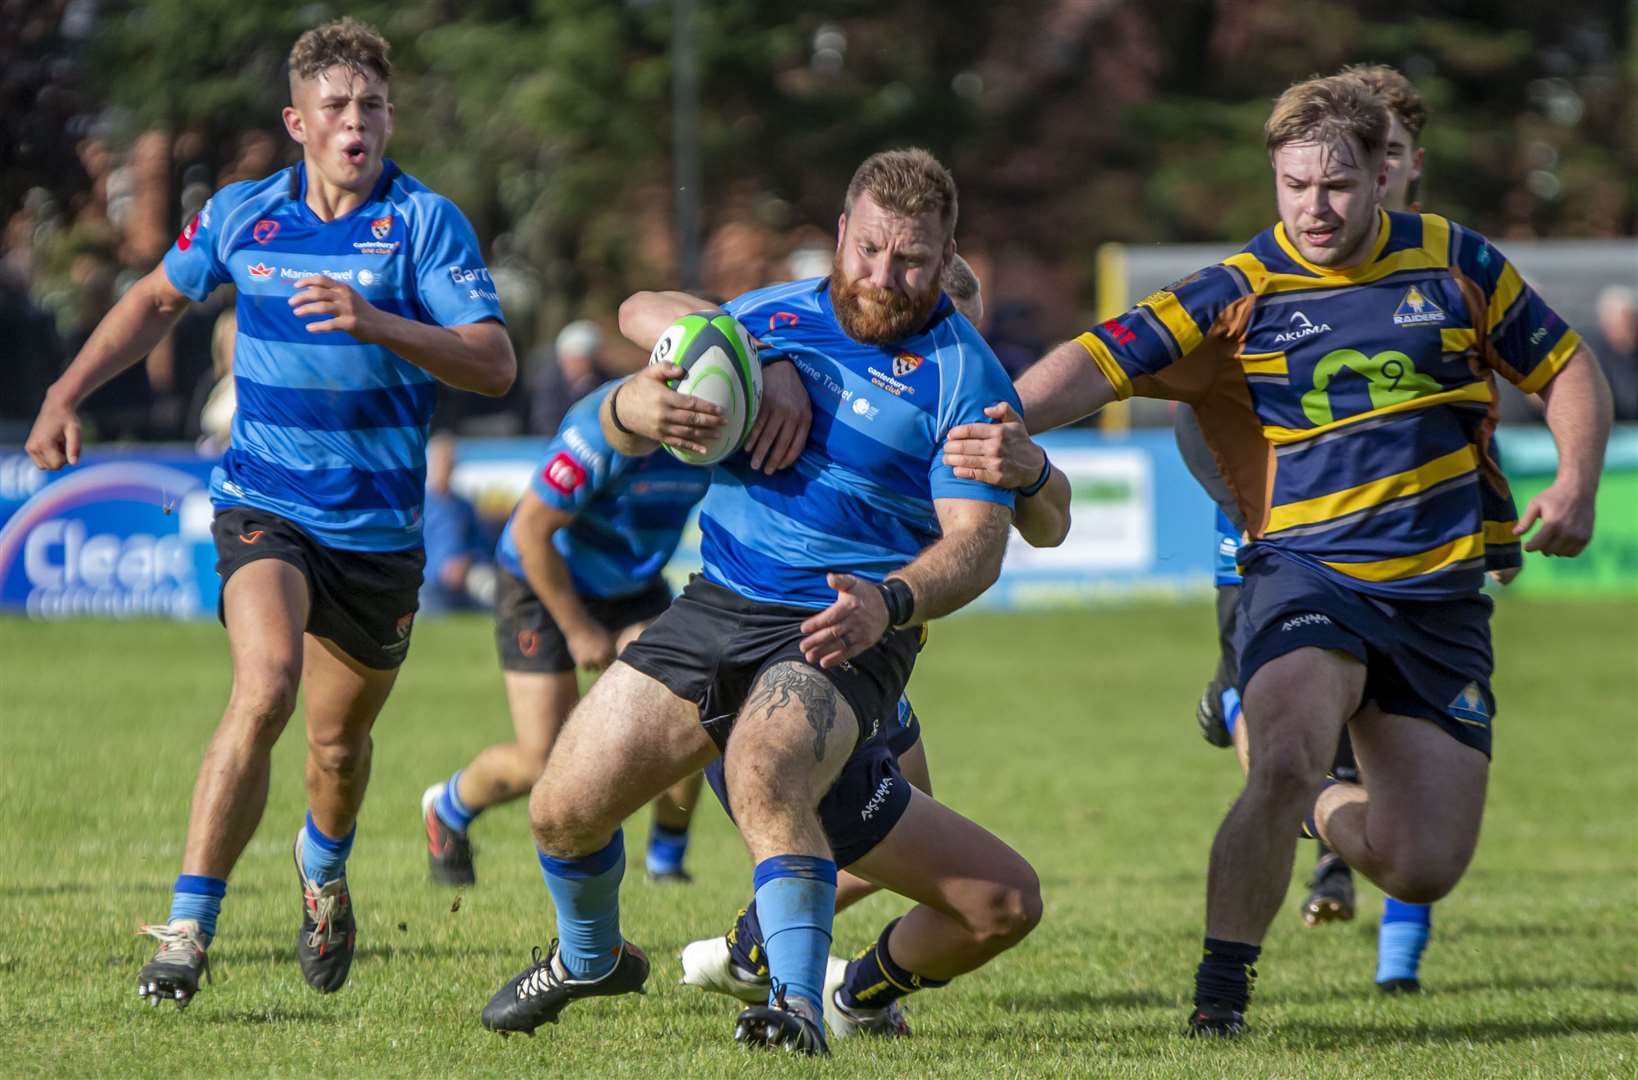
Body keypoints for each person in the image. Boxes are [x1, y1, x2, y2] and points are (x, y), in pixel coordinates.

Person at [1014, 73, 1612, 1037]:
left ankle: (1317, 799)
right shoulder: (1239, 285)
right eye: (1294, 186)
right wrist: (1003, 420)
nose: (1313, 208)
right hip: (1309, 573)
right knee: (1285, 755)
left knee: (1424, 865)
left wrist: (1576, 479)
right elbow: (1102, 354)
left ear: (1384, 176)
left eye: (1334, 186)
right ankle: (1221, 999)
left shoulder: (1458, 261)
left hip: (1439, 598)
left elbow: (1569, 366)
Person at [478, 149, 1043, 1055]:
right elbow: (639, 312)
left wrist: (891, 601)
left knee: (766, 765)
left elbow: (977, 545)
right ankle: (589, 957)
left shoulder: (964, 381)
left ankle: (795, 1008)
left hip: (844, 617)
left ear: (945, 261)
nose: (883, 277)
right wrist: (754, 353)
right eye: (867, 252)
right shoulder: (772, 318)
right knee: (562, 807)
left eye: (910, 262)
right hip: (717, 603)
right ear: (838, 239)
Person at [24, 19, 515, 1008]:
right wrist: (67, 390)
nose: (356, 124)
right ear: (298, 121)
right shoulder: (244, 215)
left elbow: (495, 362)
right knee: (266, 686)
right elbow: (159, 300)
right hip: (266, 503)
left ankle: (323, 874)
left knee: (337, 748)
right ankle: (188, 929)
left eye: (371, 106)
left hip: (378, 532)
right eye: (335, 108)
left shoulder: (425, 224)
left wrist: (380, 321)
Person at [675, 261, 1073, 1040]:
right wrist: (768, 359)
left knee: (902, 825)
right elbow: (660, 312)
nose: (946, 344)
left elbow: (1051, 523)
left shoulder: (970, 397)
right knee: (896, 852)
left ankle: (811, 973)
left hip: (881, 660)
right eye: (940, 322)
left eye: (963, 328)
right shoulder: (818, 360)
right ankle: (772, 963)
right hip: (798, 655)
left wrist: (1034, 472)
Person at [1182, 63, 1467, 991]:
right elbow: (1192, 402)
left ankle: (1395, 956)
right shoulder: (1261, 279)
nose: (1345, 190)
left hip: (1416, 566)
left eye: (1379, 164)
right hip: (1283, 551)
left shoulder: (1449, 273)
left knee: (1412, 766)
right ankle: (1279, 931)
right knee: (1288, 731)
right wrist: (1254, 507)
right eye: (1312, 178)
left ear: (1402, 164)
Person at [419, 382, 713, 887]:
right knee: (546, 762)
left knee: (689, 705)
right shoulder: (604, 425)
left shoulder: (723, 431)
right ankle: (447, 807)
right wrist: (578, 628)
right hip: (542, 579)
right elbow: (529, 534)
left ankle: (666, 863)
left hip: (634, 584)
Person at [417, 433, 495, 615]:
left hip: (466, 582)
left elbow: (482, 545)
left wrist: (467, 561)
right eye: (441, 461)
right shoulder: (417, 506)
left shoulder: (464, 506)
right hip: (428, 586)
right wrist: (440, 570)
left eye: (450, 462)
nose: (446, 467)